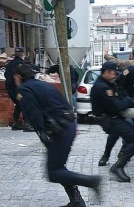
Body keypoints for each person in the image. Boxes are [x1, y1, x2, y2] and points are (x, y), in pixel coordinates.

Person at [13, 64, 102, 207]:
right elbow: (65, 103)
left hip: (58, 130)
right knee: (59, 167)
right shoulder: (45, 85)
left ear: (18, 77)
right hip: (66, 125)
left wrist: (42, 134)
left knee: (54, 172)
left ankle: (91, 181)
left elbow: (33, 114)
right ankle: (76, 201)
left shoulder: (24, 89)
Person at [91, 61, 134, 182]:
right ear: (107, 72)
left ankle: (120, 161)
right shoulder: (103, 87)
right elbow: (117, 106)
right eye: (114, 73)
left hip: (114, 118)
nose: (115, 76)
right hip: (109, 120)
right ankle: (118, 166)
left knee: (131, 136)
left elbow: (119, 98)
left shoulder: (108, 83)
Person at [4, 47, 33, 131]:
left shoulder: (10, 64)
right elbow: (23, 76)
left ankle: (15, 123)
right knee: (24, 102)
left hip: (10, 88)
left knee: (19, 103)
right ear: (23, 53)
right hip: (17, 88)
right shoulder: (21, 64)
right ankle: (27, 124)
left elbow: (6, 75)